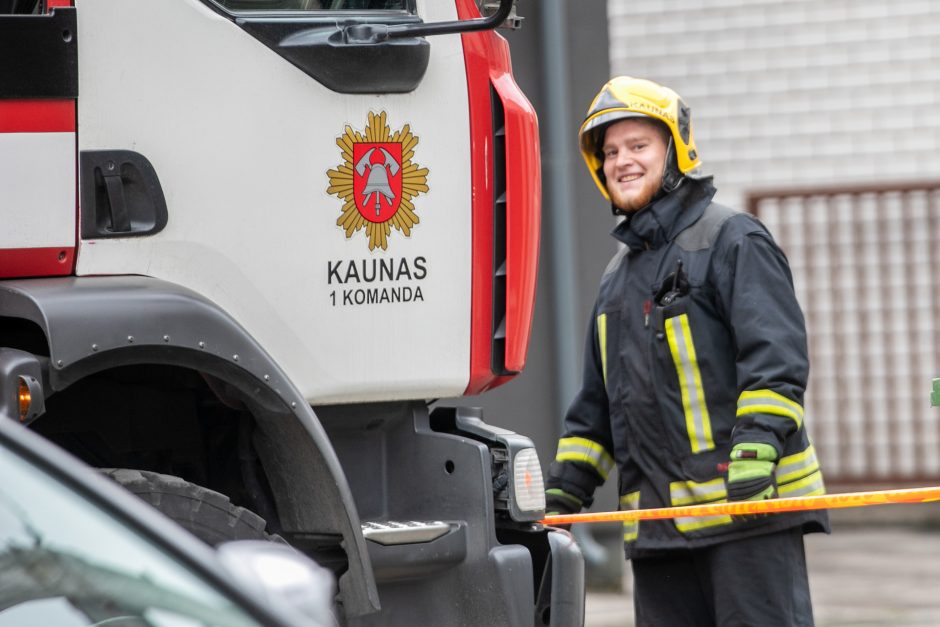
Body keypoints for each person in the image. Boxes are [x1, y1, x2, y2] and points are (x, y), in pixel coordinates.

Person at [545, 76, 830, 626]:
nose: (621, 161)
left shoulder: (733, 240)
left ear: (676, 150)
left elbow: (775, 358)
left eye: (638, 146)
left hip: (747, 513)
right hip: (658, 533)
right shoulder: (615, 282)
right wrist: (563, 494)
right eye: (609, 152)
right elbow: (596, 409)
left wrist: (758, 446)